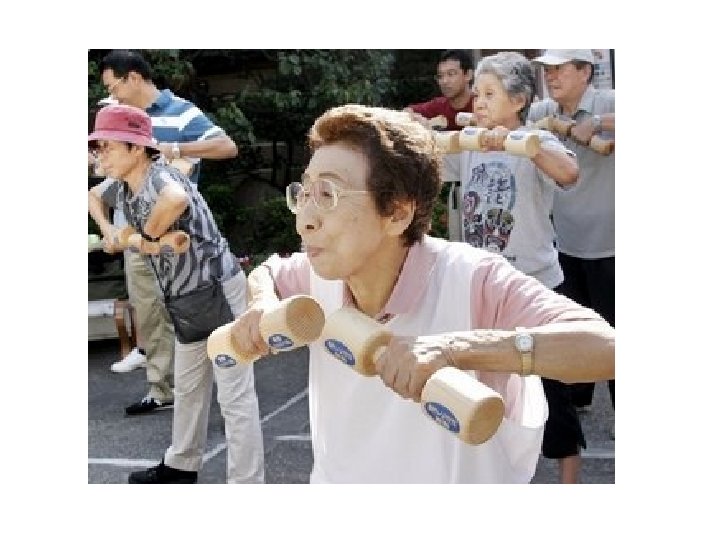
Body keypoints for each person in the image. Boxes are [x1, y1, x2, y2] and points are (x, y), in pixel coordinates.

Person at [229, 103, 614, 483]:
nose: (304, 220)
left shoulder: (472, 279)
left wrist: (454, 349)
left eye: (327, 194)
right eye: (304, 192)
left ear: (397, 213)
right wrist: (262, 303)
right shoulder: (319, 272)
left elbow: (605, 347)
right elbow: (269, 272)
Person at [88, 104, 264, 483]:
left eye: (107, 146)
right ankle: (181, 465)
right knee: (188, 387)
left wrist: (145, 236)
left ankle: (247, 484)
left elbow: (175, 199)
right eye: (98, 148)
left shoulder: (159, 175)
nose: (100, 155)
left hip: (216, 290)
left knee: (234, 395)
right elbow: (92, 196)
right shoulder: (123, 185)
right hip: (184, 298)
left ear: (137, 147)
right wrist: (109, 231)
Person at [441, 51, 586, 483]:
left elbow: (569, 172)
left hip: (534, 287)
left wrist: (517, 143)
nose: (479, 102)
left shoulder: (535, 141)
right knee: (488, 389)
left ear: (519, 100)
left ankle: (569, 482)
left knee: (552, 392)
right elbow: (429, 162)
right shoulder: (470, 144)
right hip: (483, 286)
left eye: (490, 94)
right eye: (478, 95)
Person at [97, 49, 238, 416]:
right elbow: (99, 189)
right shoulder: (118, 116)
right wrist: (120, 232)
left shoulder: (181, 112)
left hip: (178, 234)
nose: (113, 95)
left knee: (192, 312)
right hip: (136, 231)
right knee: (149, 311)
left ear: (133, 77)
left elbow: (227, 147)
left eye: (114, 87)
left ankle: (216, 388)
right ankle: (162, 388)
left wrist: (174, 147)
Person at [528, 49, 615, 433]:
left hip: (612, 244)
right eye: (547, 69)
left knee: (615, 330)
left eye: (559, 68)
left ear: (585, 72)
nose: (551, 76)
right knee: (574, 326)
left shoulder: (608, 101)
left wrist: (595, 122)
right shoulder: (542, 111)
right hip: (564, 244)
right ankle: (579, 397)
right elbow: (508, 119)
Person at [404, 49, 475, 131]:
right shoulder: (439, 106)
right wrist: (418, 119)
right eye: (440, 76)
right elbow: (406, 112)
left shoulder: (480, 104)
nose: (444, 81)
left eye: (451, 74)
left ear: (468, 75)